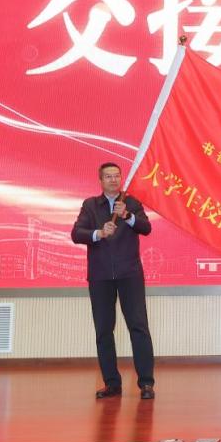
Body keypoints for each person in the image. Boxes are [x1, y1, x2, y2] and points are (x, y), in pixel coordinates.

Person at [72, 162, 156, 400]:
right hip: (100, 276)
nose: (113, 180)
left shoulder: (131, 203)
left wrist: (127, 216)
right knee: (103, 330)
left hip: (130, 274)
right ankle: (111, 383)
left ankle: (146, 383)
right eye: (108, 176)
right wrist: (98, 233)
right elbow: (76, 233)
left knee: (138, 327)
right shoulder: (90, 205)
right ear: (101, 181)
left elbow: (146, 228)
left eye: (117, 176)